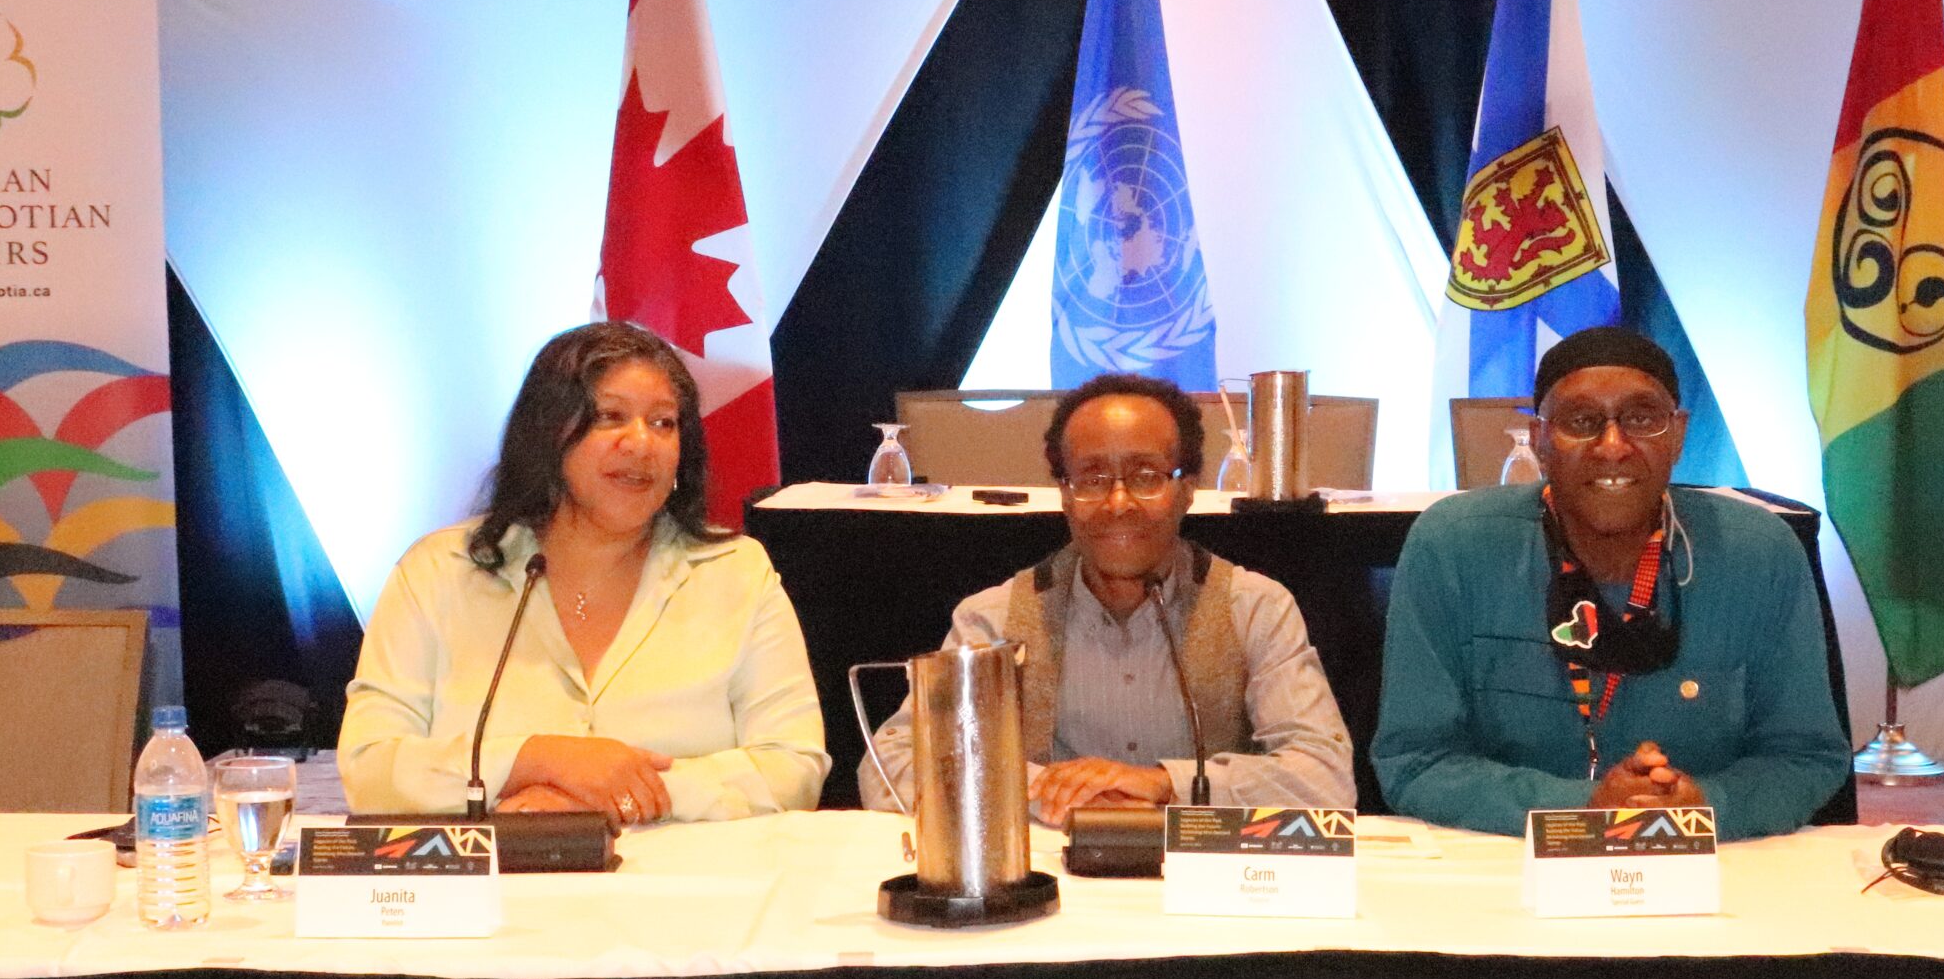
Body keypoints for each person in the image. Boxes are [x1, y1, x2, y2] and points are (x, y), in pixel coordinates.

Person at [340, 322, 827, 824]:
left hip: (687, 892)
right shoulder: (439, 573)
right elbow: (369, 768)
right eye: (609, 417)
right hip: (497, 894)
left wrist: (618, 795)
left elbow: (793, 765)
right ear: (548, 434)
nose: (641, 443)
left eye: (663, 423)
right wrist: (536, 760)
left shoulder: (736, 573)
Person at [1374, 325, 1848, 840]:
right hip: (1507, 868)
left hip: (1715, 864)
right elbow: (1414, 761)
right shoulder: (1454, 546)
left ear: (1679, 435)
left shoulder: (1759, 552)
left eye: (1642, 419)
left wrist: (1705, 806)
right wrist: (1586, 807)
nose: (1613, 446)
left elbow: (1806, 756)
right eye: (1582, 421)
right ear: (1540, 441)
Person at [860, 373, 1352, 824]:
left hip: (1205, 889)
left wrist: (1162, 784)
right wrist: (1054, 791)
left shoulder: (1256, 608)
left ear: (1189, 491)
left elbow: (1326, 780)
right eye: (1093, 479)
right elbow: (890, 763)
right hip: (1049, 886)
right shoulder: (994, 619)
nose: (1119, 504)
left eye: (1145, 476)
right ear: (1065, 494)